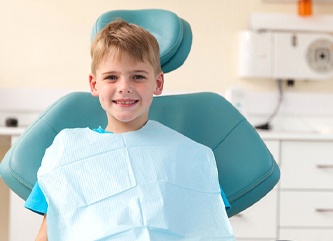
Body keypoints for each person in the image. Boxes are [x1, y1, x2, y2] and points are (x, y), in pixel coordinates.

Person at [25, 19, 235, 241]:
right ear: (94, 84)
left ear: (158, 83)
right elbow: (50, 230)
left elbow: (212, 227)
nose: (124, 87)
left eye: (138, 76)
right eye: (111, 77)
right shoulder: (68, 154)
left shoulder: (189, 157)